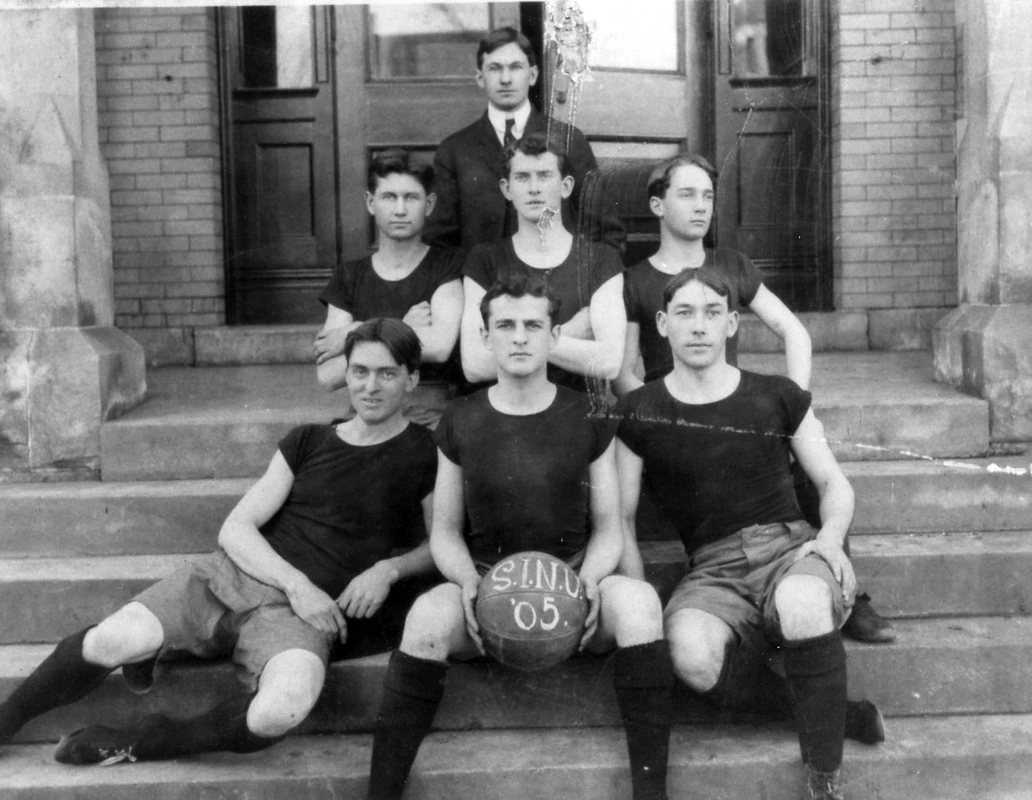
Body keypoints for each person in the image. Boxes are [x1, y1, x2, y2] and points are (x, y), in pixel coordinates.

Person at [0, 319, 439, 765]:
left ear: (412, 379)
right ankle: (5, 722)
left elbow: (443, 541)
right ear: (345, 375)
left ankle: (149, 739)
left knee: (281, 707)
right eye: (360, 371)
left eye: (387, 373)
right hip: (236, 577)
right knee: (107, 642)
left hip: (304, 619)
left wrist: (389, 569)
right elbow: (236, 528)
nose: (370, 386)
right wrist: (296, 585)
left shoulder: (428, 452)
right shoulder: (310, 440)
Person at [366, 276, 673, 800]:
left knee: (641, 603)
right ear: (485, 337)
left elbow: (609, 527)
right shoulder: (461, 418)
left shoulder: (587, 414)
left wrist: (591, 582)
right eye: (505, 325)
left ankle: (652, 793)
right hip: (487, 590)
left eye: (534, 324)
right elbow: (443, 531)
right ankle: (381, 794)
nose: (520, 336)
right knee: (424, 618)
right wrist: (466, 584)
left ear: (554, 337)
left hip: (575, 586)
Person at [614, 269, 884, 800]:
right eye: (685, 315)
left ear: (732, 324)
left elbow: (834, 483)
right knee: (690, 651)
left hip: (787, 547)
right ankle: (832, 710)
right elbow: (621, 518)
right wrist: (640, 594)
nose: (699, 327)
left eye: (713, 313)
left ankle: (824, 778)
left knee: (805, 601)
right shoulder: (638, 409)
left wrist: (829, 541)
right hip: (713, 569)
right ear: (664, 325)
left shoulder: (776, 393)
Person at [615, 153, 894, 644]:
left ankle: (846, 591)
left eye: (708, 196)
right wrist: (662, 424)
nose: (701, 207)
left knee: (806, 466)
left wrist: (794, 406)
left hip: (740, 412)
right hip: (675, 431)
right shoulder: (635, 280)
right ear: (658, 205)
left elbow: (794, 331)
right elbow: (622, 369)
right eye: (687, 194)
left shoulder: (730, 265)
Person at [459, 132, 625, 393]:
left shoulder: (600, 259)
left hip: (577, 412)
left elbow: (608, 362)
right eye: (522, 177)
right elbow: (475, 364)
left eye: (545, 176)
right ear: (506, 189)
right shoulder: (485, 260)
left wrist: (514, 347)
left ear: (566, 186)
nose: (534, 188)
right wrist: (564, 334)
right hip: (505, 417)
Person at [316, 149, 463, 426]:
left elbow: (440, 346)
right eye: (388, 197)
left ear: (429, 204)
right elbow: (328, 375)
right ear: (371, 202)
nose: (399, 210)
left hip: (429, 411)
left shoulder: (446, 264)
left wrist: (356, 331)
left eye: (411, 198)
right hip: (366, 410)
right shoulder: (349, 275)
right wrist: (403, 326)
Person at [423, 26, 597, 252]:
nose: (505, 79)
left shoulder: (568, 140)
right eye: (495, 69)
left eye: (515, 67)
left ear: (532, 75)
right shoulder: (455, 150)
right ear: (480, 78)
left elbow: (603, 229)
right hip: (482, 283)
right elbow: (439, 239)